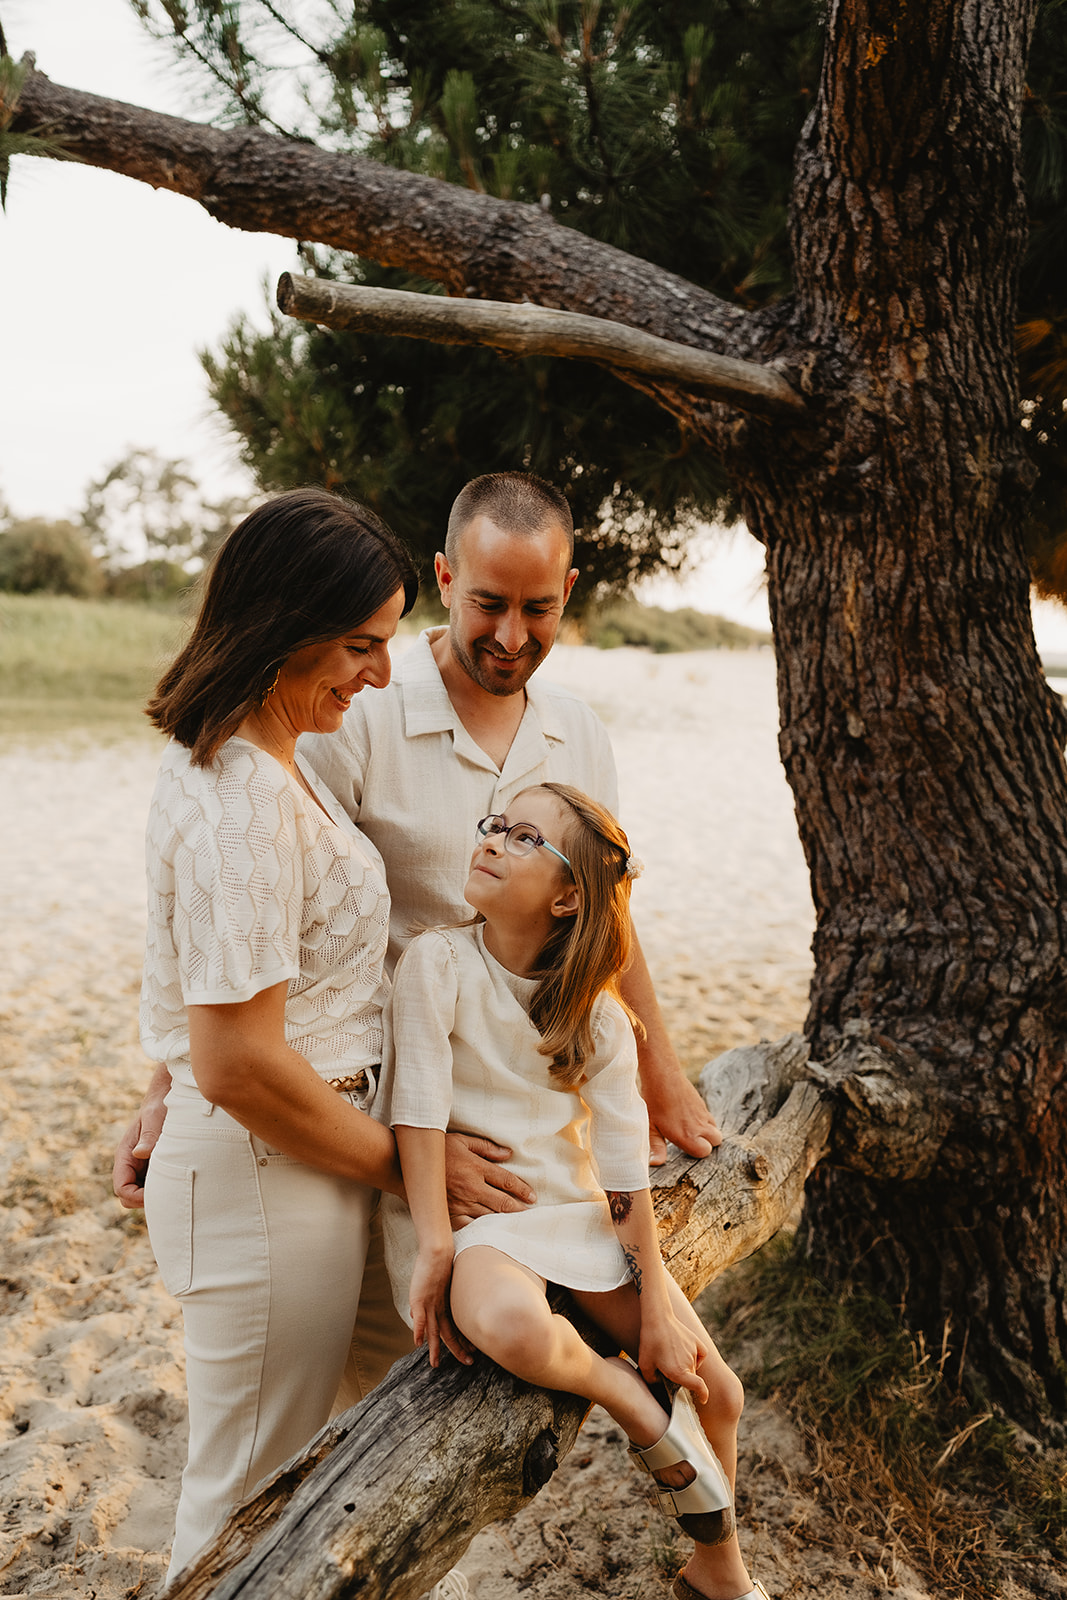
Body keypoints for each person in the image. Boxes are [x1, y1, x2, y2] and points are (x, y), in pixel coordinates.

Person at [116, 471, 722, 1391]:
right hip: (382, 1116)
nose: (511, 636)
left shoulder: (580, 736)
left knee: (442, 1382)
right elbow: (257, 913)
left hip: (520, 1123)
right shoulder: (352, 714)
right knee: (341, 1394)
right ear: (444, 578)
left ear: (569, 592)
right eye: (486, 603)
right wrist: (175, 1076)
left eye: (539, 608)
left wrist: (661, 1071)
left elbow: (607, 917)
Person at [381, 784, 766, 1600]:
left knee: (717, 1390)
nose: (491, 841)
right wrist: (436, 1245)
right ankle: (616, 1388)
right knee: (515, 1330)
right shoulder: (436, 963)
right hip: (492, 1221)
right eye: (494, 825)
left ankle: (717, 1571)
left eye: (523, 838)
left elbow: (624, 1171)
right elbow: (414, 1113)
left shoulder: (595, 1015)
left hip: (580, 1217)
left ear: (567, 897)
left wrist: (653, 1302)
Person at [138, 487, 423, 1582]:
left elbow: (207, 1000)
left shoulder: (256, 754)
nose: (379, 673)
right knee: (239, 1510)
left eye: (387, 644)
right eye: (360, 643)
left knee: (328, 1475)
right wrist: (403, 1166)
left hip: (308, 1158)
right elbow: (237, 1059)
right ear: (281, 622)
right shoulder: (243, 789)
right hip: (269, 1170)